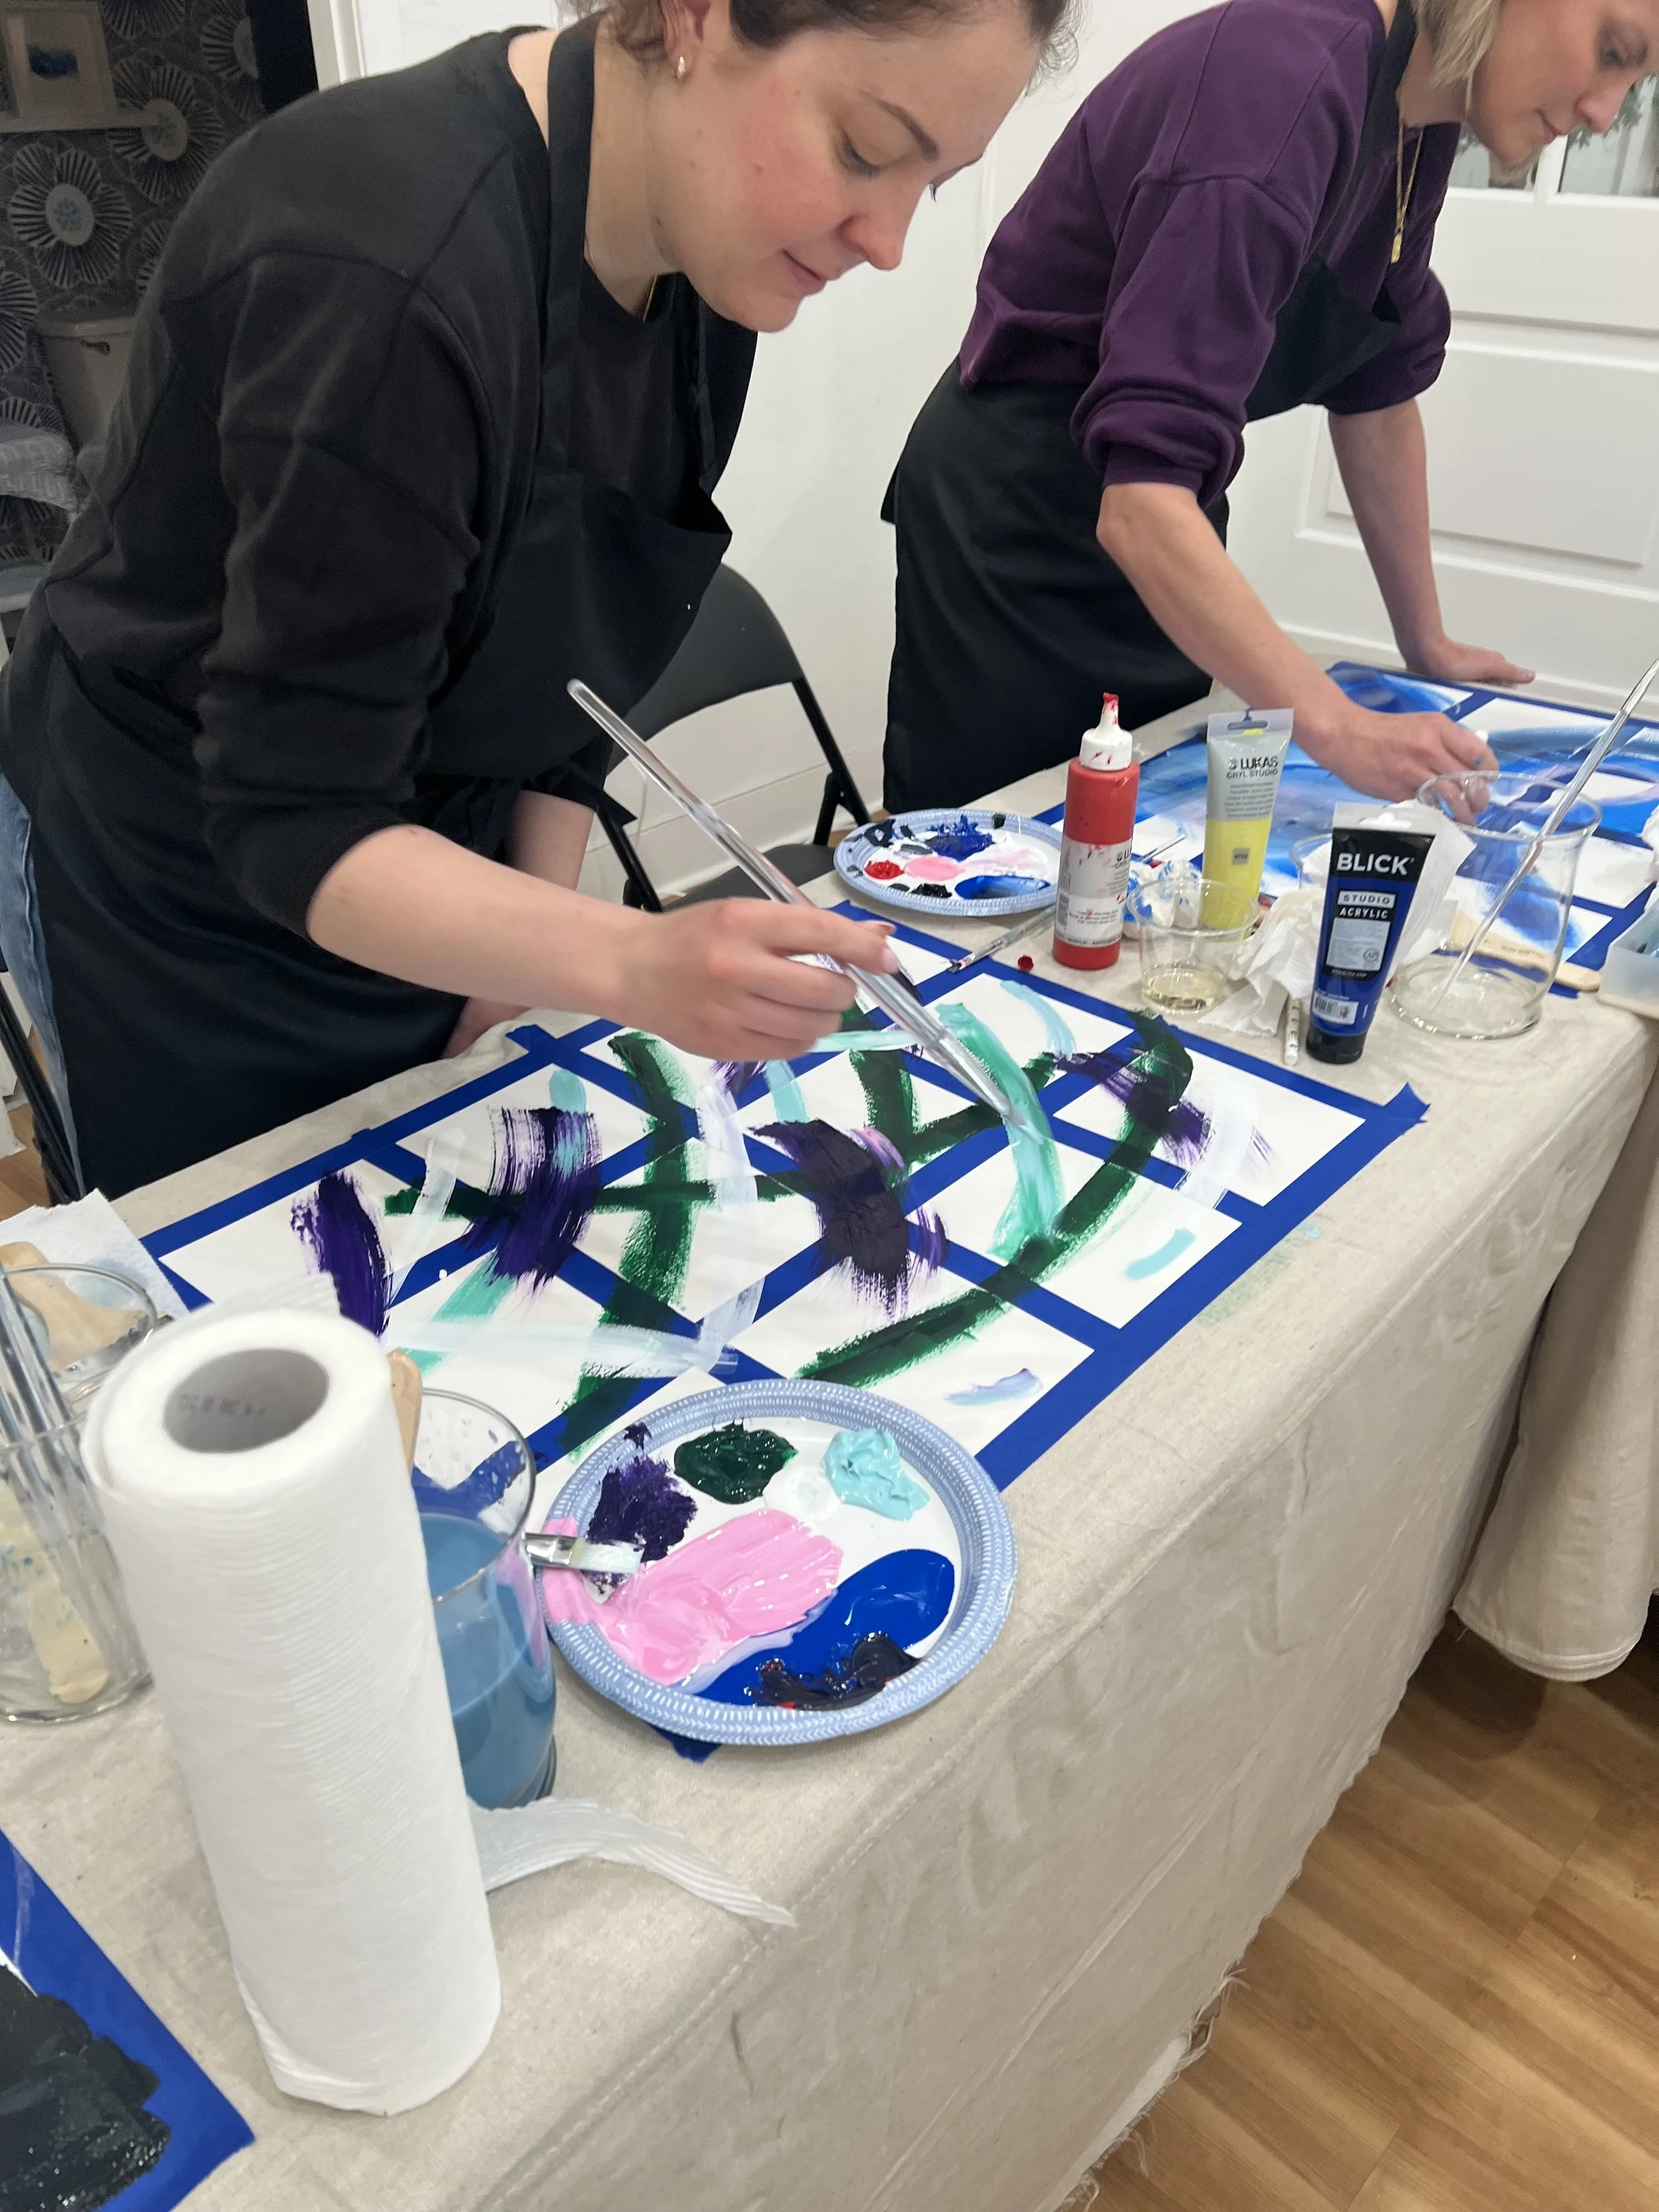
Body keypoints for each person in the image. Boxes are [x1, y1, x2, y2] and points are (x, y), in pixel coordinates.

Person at [0, 0, 1062, 1197]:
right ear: (696, 18)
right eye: (866, 149)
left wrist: (528, 936)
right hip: (178, 886)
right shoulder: (386, 272)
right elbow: (293, 817)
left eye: (935, 181)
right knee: (250, 1261)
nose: (889, 241)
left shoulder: (706, 258)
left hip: (416, 843)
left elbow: (574, 659)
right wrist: (630, 960)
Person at [883, 0, 1656, 812]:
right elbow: (1139, 505)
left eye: (1637, 82)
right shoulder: (1279, 83)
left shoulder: (1414, 116)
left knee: (1144, 828)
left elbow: (1377, 396)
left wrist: (1424, 640)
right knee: (1002, 843)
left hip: (1162, 509)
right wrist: (1335, 726)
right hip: (1023, 515)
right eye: (1612, 50)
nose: (1606, 114)